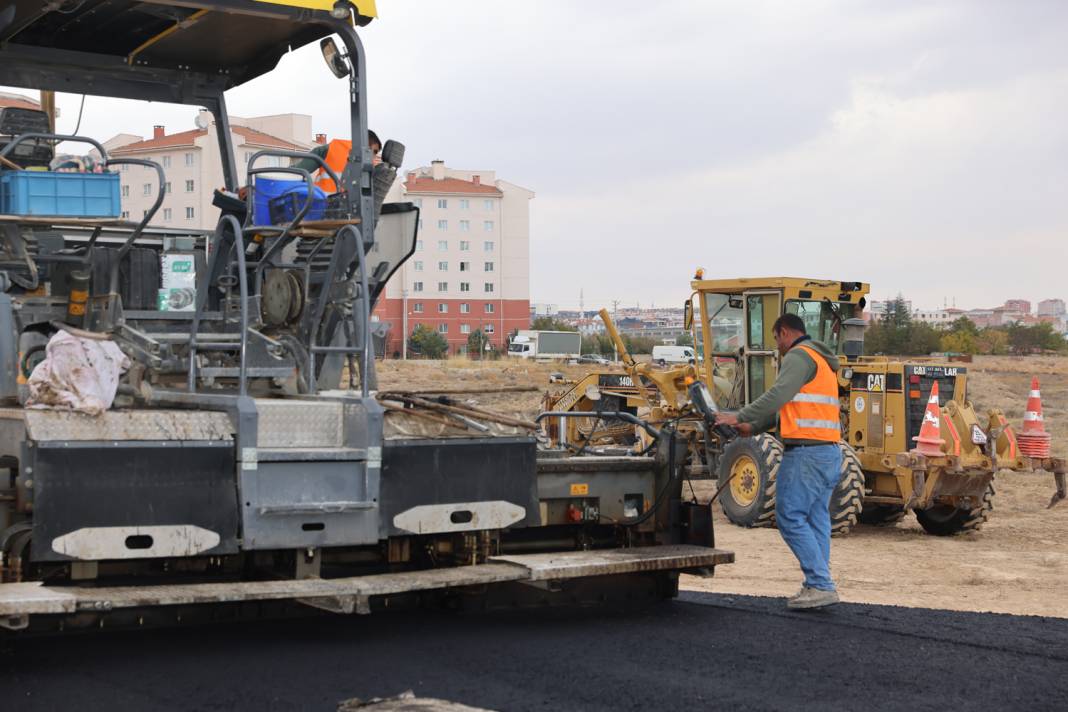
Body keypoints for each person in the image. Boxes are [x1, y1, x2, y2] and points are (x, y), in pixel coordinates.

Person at [716, 313, 843, 610]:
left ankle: (821, 584)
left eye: (776, 339)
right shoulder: (821, 360)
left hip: (806, 454)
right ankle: (817, 583)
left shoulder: (798, 356)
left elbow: (777, 395)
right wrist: (751, 427)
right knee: (816, 520)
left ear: (784, 332)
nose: (777, 346)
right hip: (828, 452)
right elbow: (787, 409)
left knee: (789, 517)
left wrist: (738, 415)